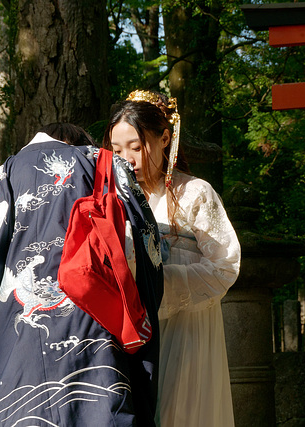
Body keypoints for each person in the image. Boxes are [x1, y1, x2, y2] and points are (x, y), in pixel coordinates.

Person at [0, 123, 163, 426]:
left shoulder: (1, 178)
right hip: (98, 329)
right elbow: (147, 250)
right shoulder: (105, 163)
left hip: (16, 343)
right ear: (75, 142)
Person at [103, 91, 241, 426]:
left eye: (136, 147)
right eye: (117, 150)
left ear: (164, 138)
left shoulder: (195, 193)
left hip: (186, 326)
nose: (126, 159)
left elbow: (224, 267)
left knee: (179, 411)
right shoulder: (112, 202)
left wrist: (157, 284)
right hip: (129, 328)